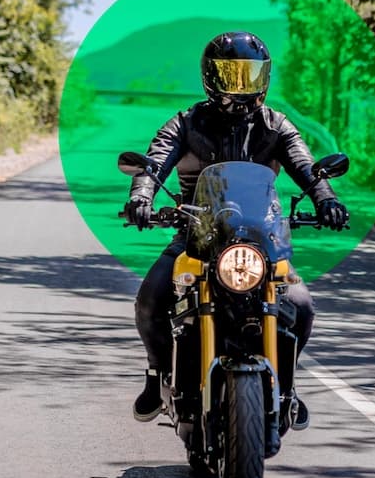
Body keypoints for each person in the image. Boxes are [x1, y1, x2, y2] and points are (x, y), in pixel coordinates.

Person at [123, 31, 349, 426]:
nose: (240, 86)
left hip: (262, 241)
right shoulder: (186, 123)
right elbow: (154, 161)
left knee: (301, 306)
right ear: (210, 77)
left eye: (249, 75)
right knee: (150, 298)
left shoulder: (276, 125)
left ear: (264, 77)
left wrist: (326, 199)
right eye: (230, 75)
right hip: (196, 237)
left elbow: (305, 166)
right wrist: (142, 195)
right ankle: (156, 374)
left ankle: (288, 386)